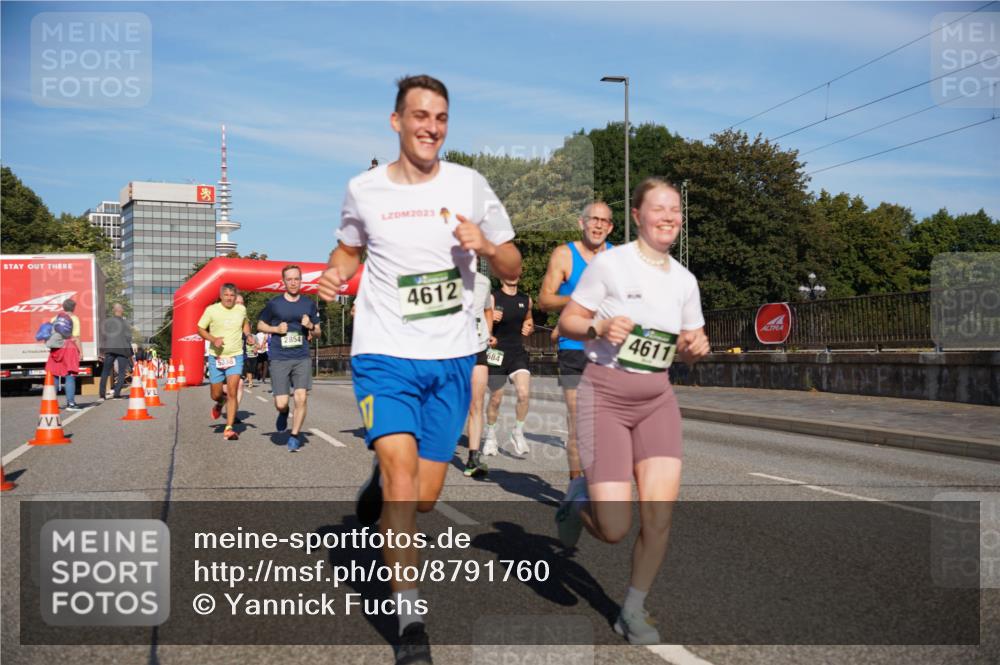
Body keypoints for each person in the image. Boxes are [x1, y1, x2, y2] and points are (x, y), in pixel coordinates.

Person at [317, 74, 520, 665]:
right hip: (384, 352)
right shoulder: (365, 189)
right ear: (396, 121)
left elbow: (512, 262)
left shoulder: (470, 185)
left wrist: (484, 244)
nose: (431, 127)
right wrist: (335, 273)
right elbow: (348, 251)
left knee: (424, 497)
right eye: (420, 116)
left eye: (441, 118)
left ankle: (377, 484)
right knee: (404, 478)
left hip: (453, 355)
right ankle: (409, 619)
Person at [557, 178, 710, 644]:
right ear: (638, 216)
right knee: (614, 528)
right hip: (604, 396)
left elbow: (686, 346)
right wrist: (598, 325)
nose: (669, 217)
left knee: (659, 516)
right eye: (659, 209)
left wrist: (695, 348)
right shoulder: (610, 264)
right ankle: (577, 500)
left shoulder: (685, 281)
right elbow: (567, 320)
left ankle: (633, 609)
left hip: (657, 402)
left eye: (675, 210)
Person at [538, 202, 614, 519]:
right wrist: (579, 300)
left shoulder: (617, 258)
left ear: (610, 227)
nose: (597, 225)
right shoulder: (564, 255)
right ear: (582, 223)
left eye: (604, 221)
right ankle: (575, 489)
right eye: (593, 219)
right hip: (573, 348)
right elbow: (544, 299)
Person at [257, 265, 321, 452]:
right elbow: (260, 324)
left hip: (301, 356)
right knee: (281, 402)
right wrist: (275, 329)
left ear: (301, 280)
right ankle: (283, 413)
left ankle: (294, 435)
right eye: (289, 279)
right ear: (283, 281)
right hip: (279, 357)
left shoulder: (309, 304)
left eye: (296, 279)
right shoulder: (274, 304)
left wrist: (310, 326)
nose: (293, 282)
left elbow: (318, 333)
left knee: (301, 398)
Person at [482, 276, 534, 456]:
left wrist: (529, 327)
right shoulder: (492, 298)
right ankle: (490, 436)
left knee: (524, 393)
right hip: (496, 353)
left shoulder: (526, 300)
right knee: (496, 398)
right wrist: (488, 321)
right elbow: (479, 321)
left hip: (517, 353)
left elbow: (529, 320)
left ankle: (517, 432)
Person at [197, 283, 254, 441]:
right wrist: (213, 339)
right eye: (226, 295)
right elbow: (200, 328)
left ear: (235, 297)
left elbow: (245, 323)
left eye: (232, 295)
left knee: (232, 391)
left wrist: (248, 335)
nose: (229, 298)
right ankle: (219, 403)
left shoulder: (241, 309)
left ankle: (229, 428)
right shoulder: (211, 310)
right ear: (221, 296)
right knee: (216, 394)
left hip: (236, 356)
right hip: (217, 358)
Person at [463, 270, 494, 477]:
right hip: (449, 351)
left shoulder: (484, 282)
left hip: (478, 348)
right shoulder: (441, 277)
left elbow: (488, 310)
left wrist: (488, 333)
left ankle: (473, 457)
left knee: (477, 403)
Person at [46, 299, 82, 410]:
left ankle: (51, 403)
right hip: (69, 348)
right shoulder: (74, 319)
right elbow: (75, 338)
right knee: (70, 375)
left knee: (55, 375)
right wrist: (80, 352)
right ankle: (71, 403)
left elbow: (50, 334)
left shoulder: (55, 318)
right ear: (73, 308)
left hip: (56, 349)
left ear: (63, 307)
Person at [98, 303, 135, 400]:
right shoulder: (125, 323)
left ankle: (102, 394)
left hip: (109, 349)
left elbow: (103, 336)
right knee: (122, 372)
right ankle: (117, 393)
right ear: (120, 310)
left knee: (105, 371)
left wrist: (102, 350)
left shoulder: (107, 322)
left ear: (114, 311)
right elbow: (128, 338)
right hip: (122, 349)